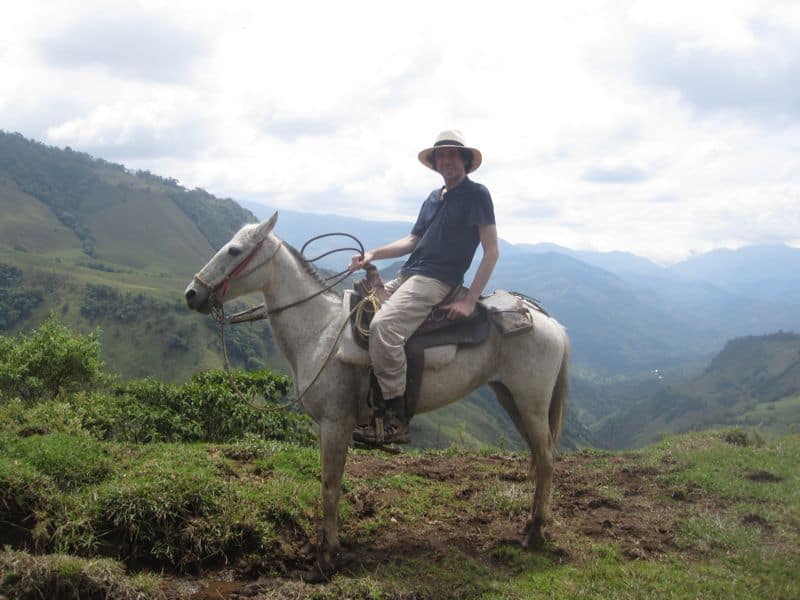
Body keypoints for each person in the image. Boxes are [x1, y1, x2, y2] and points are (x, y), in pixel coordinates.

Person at [349, 129, 499, 444]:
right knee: (358, 299)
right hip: (410, 272)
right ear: (435, 162)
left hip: (437, 279)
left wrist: (471, 300)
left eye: (452, 154)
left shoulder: (477, 195)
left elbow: (491, 250)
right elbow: (412, 240)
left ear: (465, 160)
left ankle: (394, 420)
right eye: (440, 155)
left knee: (384, 327)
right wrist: (374, 254)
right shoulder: (433, 198)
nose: (446, 160)